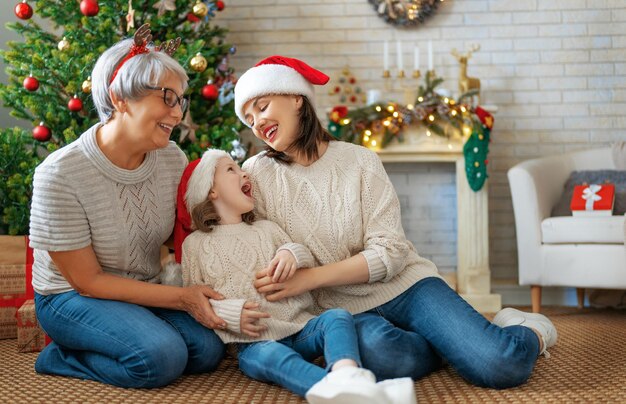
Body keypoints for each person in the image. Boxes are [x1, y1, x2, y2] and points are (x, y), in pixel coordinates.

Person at [233, 55, 558, 389]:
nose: (256, 122)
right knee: (381, 356)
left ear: (296, 98)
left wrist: (310, 279)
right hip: (345, 310)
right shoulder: (255, 174)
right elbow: (249, 238)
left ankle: (529, 330)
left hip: (407, 287)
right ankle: (454, 342)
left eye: (262, 106)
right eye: (248, 117)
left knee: (499, 364)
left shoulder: (359, 160)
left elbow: (390, 251)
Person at [28, 24, 227, 388]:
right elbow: (87, 282)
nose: (177, 114)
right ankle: (60, 355)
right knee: (160, 358)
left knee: (207, 350)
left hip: (140, 285)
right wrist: (182, 298)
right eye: (167, 97)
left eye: (180, 100)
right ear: (119, 98)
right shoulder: (59, 174)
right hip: (70, 297)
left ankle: (129, 334)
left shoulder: (171, 158)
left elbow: (178, 236)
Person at [176, 149, 416, 403]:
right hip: (253, 344)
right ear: (211, 190)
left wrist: (291, 255)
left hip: (300, 328)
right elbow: (197, 302)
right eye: (230, 170)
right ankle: (338, 390)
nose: (243, 172)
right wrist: (229, 314)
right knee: (270, 357)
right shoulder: (195, 245)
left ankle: (348, 374)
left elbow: (299, 251)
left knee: (337, 317)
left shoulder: (266, 229)